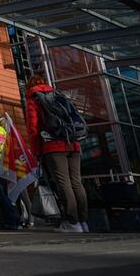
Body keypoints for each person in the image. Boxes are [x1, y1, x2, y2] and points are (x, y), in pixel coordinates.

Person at [26, 74, 87, 233]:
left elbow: (33, 128)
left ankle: (72, 222)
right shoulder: (59, 95)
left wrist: (36, 151)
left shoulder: (34, 99)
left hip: (53, 146)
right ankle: (83, 221)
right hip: (73, 143)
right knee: (76, 182)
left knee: (63, 183)